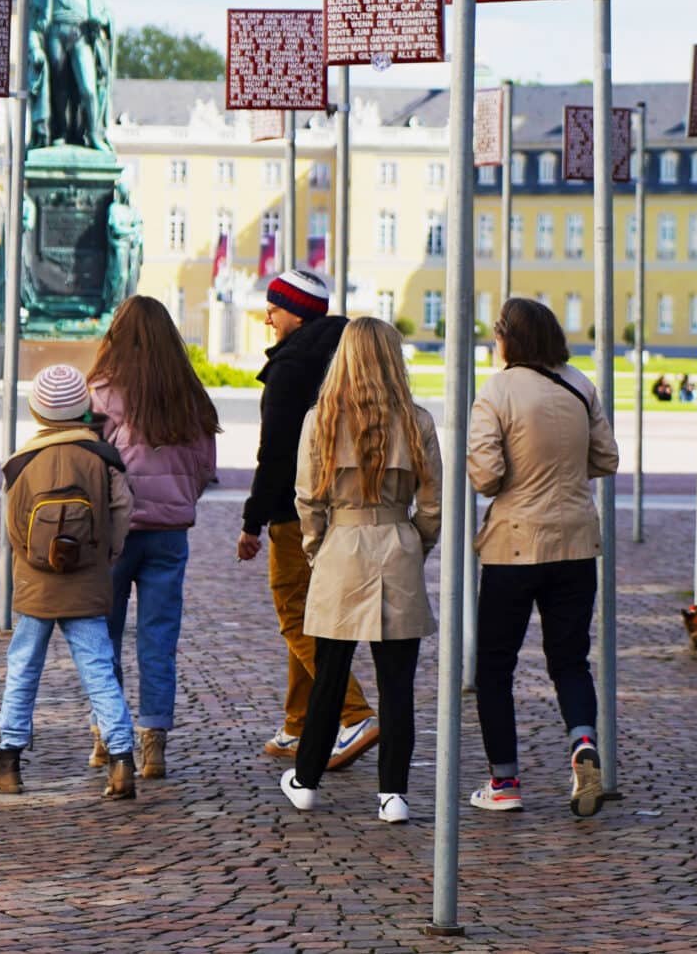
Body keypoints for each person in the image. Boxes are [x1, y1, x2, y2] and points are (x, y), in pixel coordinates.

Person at [278, 317, 442, 824]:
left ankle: (306, 779)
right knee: (397, 682)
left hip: (341, 545)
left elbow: (308, 499)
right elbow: (432, 503)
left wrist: (316, 550)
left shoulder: (321, 419)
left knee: (329, 673)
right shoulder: (416, 420)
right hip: (396, 540)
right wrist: (417, 543)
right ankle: (392, 792)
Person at [466, 297, 618, 817]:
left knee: (495, 666)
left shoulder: (498, 389)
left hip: (514, 543)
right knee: (570, 660)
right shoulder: (580, 384)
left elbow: (485, 475)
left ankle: (504, 783)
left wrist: (517, 473)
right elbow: (607, 458)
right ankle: (581, 742)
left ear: (510, 338)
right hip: (576, 541)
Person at [237, 267, 376, 769]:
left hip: (296, 510)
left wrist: (252, 522)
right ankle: (299, 723)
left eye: (274, 307)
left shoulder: (291, 365)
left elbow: (273, 453)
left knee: (295, 611)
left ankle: (354, 712)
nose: (268, 316)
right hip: (346, 504)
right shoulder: (350, 358)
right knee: (313, 612)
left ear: (295, 311)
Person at [0, 364, 137, 801]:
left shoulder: (22, 461)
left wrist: (32, 561)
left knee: (23, 669)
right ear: (84, 408)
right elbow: (123, 510)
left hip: (35, 586)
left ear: (37, 412)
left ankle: (8, 763)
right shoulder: (102, 457)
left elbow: (14, 528)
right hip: (87, 583)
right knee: (99, 671)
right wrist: (107, 553)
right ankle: (123, 761)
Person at [90, 295, 221, 782]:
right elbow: (206, 467)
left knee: (102, 638)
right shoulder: (189, 395)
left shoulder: (104, 392)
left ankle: (108, 734)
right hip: (170, 534)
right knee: (158, 641)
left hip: (115, 534)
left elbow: (89, 458)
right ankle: (154, 744)